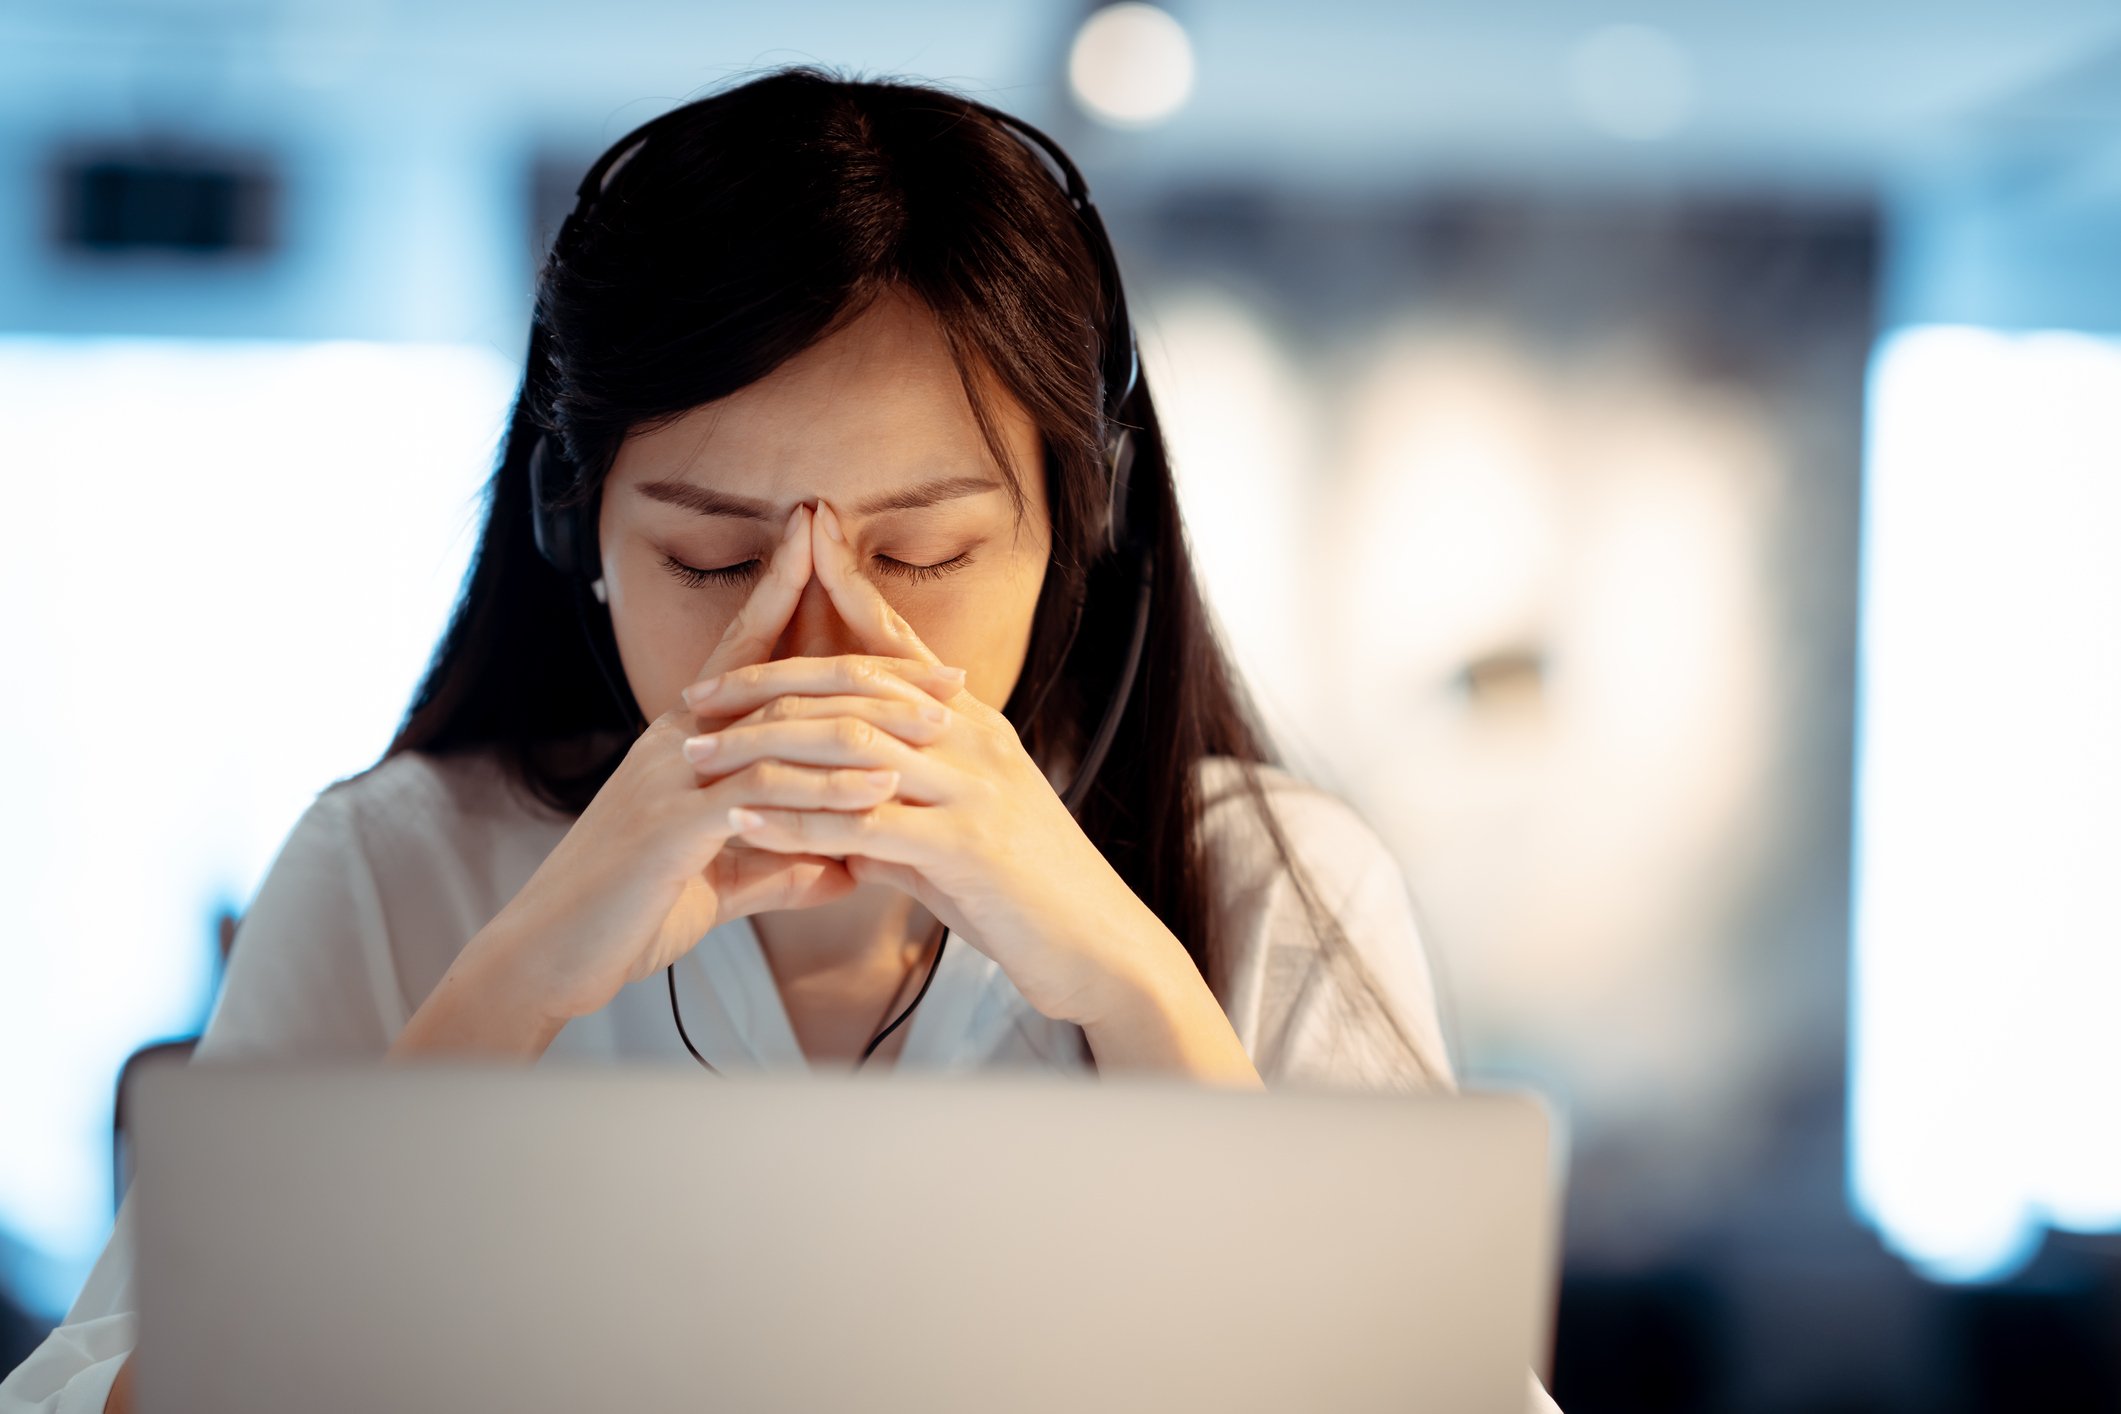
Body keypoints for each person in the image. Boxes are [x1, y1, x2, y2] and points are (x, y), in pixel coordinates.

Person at [0, 67, 1562, 1413]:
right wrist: (521, 972)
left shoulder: (1265, 877)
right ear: (580, 531)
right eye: (712, 560)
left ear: (1072, 542)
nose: (817, 646)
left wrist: (1127, 977)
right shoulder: (398, 863)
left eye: (926, 554)